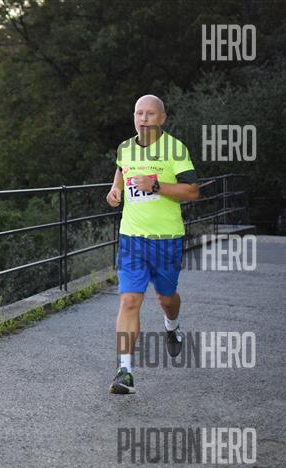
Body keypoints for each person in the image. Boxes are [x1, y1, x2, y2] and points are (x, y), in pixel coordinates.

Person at [106, 94, 199, 394]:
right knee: (129, 300)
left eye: (149, 113)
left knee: (166, 299)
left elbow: (192, 191)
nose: (143, 118)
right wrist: (115, 191)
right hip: (132, 238)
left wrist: (156, 185)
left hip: (166, 239)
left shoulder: (175, 149)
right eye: (138, 113)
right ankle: (124, 371)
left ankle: (172, 326)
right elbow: (121, 171)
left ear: (162, 118)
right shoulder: (125, 148)